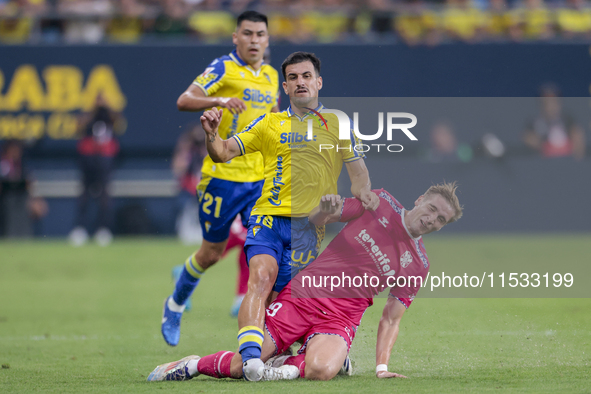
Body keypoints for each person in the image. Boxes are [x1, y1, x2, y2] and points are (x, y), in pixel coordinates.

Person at [147, 182, 463, 382]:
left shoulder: (419, 264)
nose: (432, 219)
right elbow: (319, 218)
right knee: (245, 366)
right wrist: (324, 211)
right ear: (420, 198)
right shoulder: (379, 201)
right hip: (303, 296)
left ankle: (299, 362)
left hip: (341, 318)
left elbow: (391, 319)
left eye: (441, 220)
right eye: (432, 209)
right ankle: (191, 365)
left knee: (322, 371)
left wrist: (381, 368)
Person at [196, 51, 380, 381]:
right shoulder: (270, 122)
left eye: (306, 76)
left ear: (319, 82)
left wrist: (354, 198)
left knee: (289, 304)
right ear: (285, 86)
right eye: (293, 78)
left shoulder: (338, 124)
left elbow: (361, 178)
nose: (300, 82)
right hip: (268, 218)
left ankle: (305, 355)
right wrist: (212, 135)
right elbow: (223, 152)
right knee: (260, 278)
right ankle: (251, 360)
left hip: (308, 229)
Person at [161, 10, 280, 347]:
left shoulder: (272, 77)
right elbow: (184, 100)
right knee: (211, 253)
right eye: (247, 34)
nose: (254, 40)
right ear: (235, 37)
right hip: (222, 178)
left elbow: (271, 121)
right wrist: (218, 100)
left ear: (267, 39)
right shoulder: (223, 68)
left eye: (260, 34)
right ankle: (175, 304)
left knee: (264, 258)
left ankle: (268, 338)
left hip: (259, 181)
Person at [68, 94, 123, 246]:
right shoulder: (89, 117)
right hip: (88, 159)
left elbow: (118, 121)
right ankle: (80, 229)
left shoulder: (109, 116)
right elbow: (78, 127)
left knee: (104, 195)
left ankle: (103, 229)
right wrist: (93, 109)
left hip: (104, 160)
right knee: (84, 195)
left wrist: (107, 106)